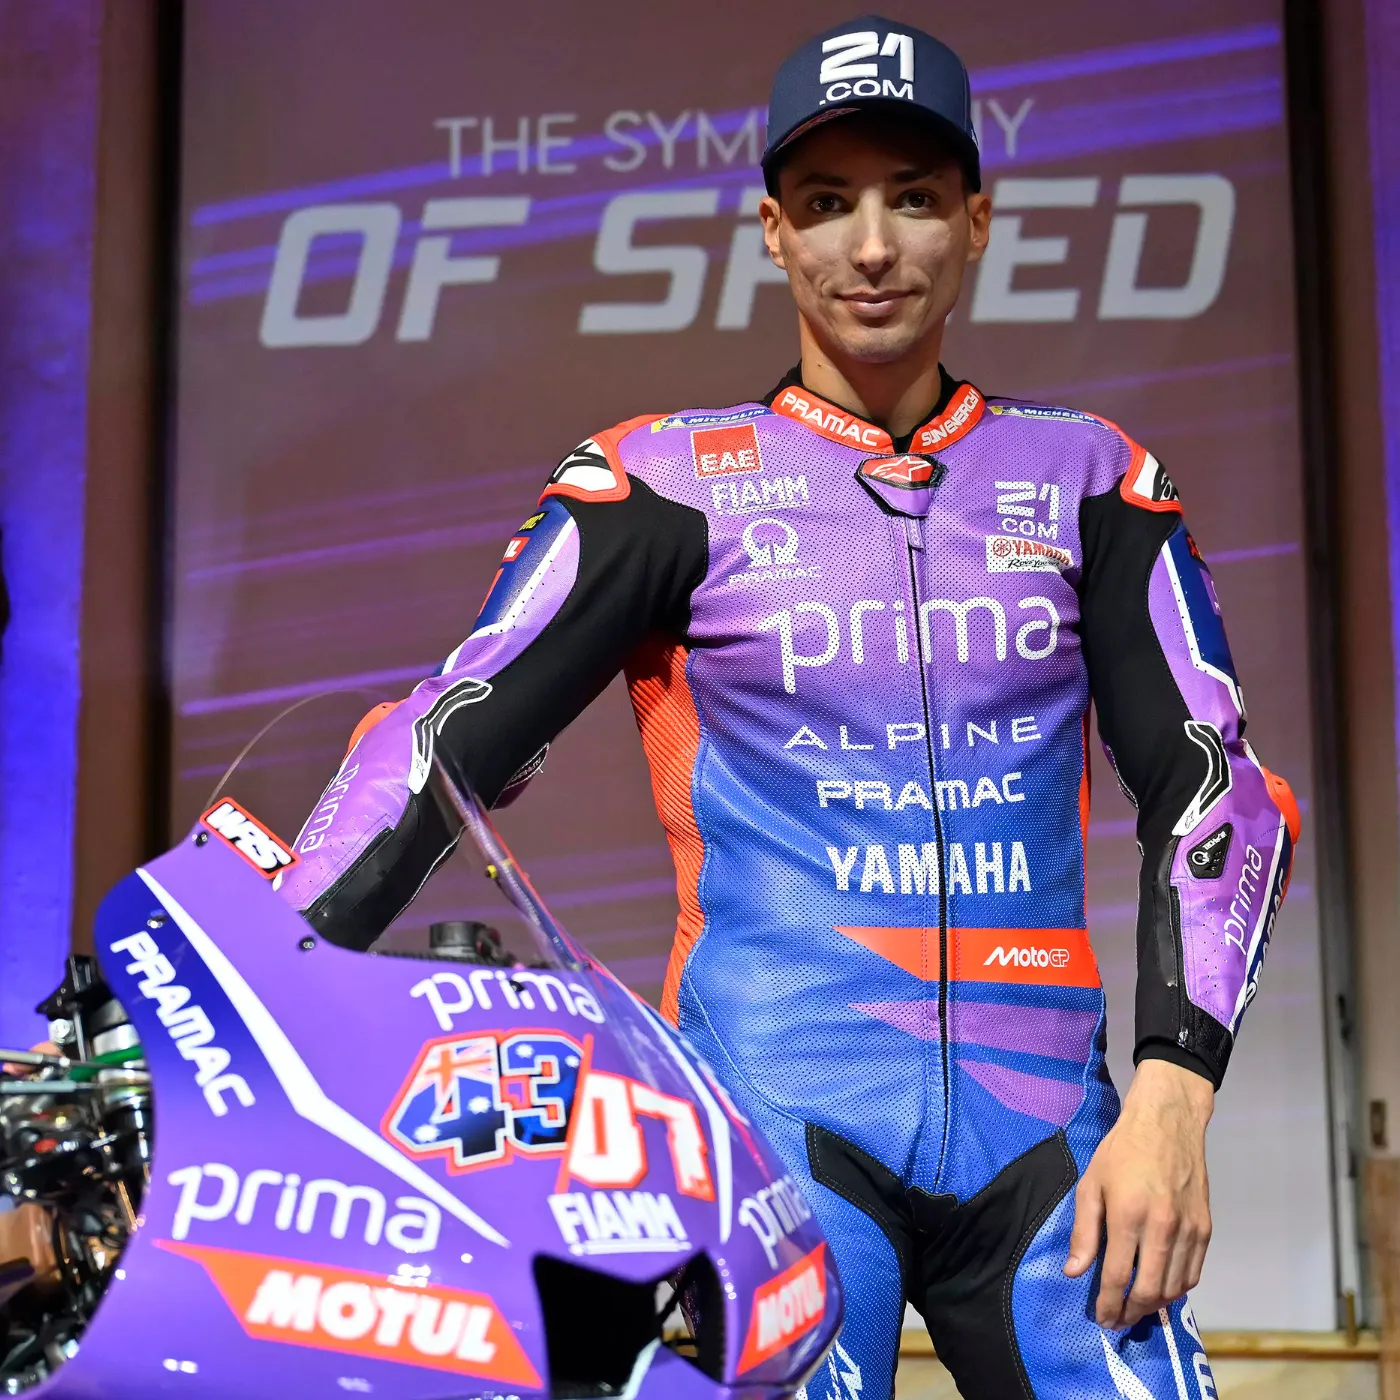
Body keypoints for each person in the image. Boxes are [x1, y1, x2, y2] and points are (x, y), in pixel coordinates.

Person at [279, 16, 1300, 1398]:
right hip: (767, 1134)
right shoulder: (659, 483)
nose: (870, 247)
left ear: (977, 220)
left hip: (1052, 1139)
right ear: (773, 231)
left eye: (912, 198)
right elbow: (439, 743)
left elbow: (1215, 792)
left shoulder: (1089, 479)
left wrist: (1177, 1097)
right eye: (826, 204)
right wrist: (248, 973)